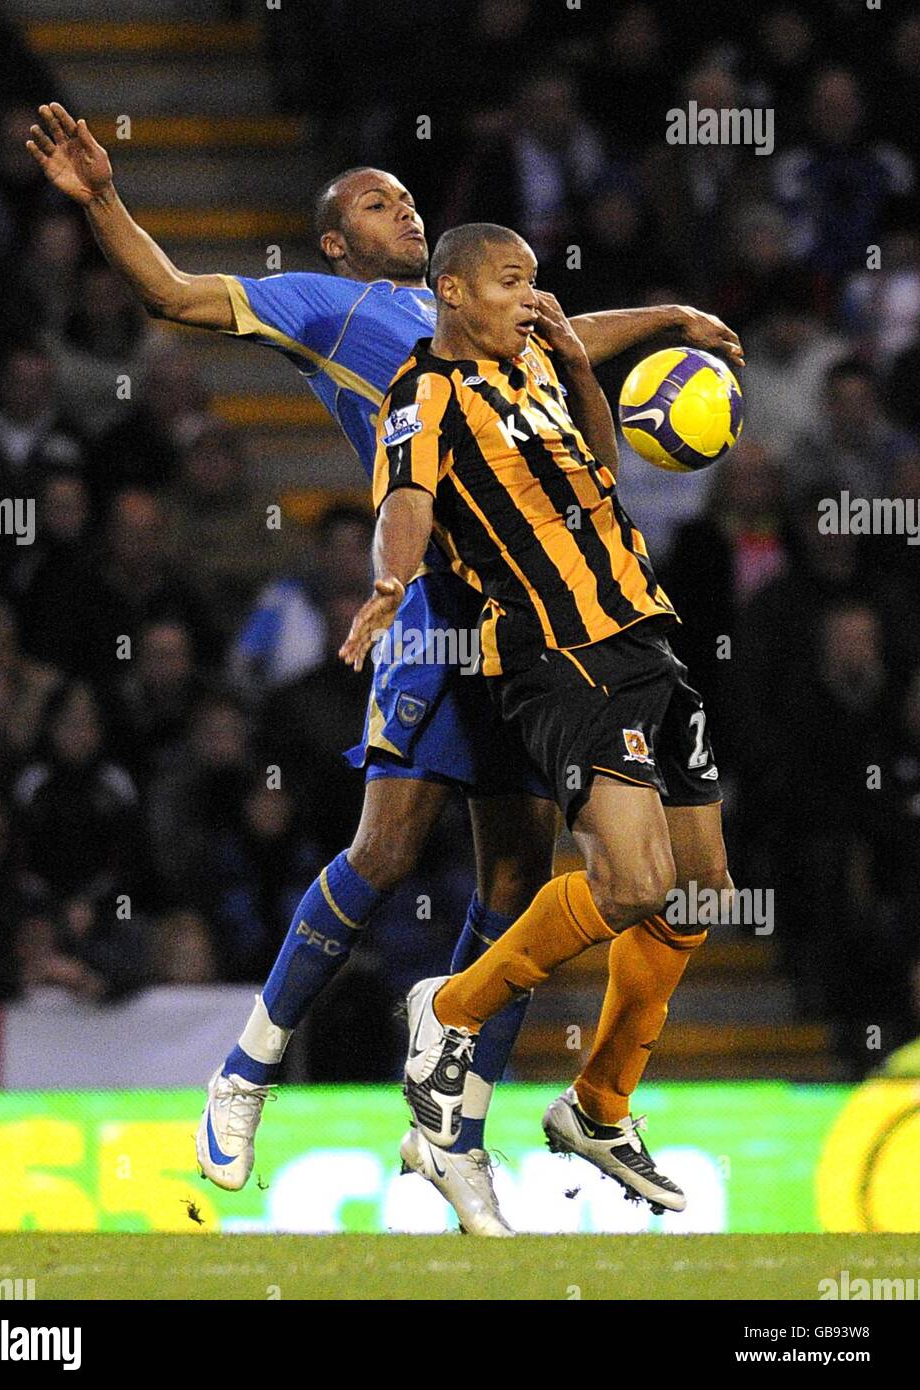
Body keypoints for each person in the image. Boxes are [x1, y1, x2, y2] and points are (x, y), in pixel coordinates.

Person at [28, 102, 742, 1235]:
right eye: (374, 202)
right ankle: (248, 1069)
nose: (401, 207)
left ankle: (451, 1130)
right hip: (426, 605)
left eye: (407, 198)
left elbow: (562, 335)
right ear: (333, 242)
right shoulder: (328, 307)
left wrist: (667, 319)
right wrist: (106, 198)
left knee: (513, 886)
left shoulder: (476, 310)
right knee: (386, 846)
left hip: (535, 616)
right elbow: (171, 292)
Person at [342, 223, 733, 1218]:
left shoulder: (534, 371)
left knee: (698, 894)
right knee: (633, 881)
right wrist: (390, 578)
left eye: (534, 281)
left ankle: (598, 1106)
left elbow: (603, 472)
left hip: (643, 635)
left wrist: (582, 366)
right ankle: (453, 1006)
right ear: (452, 291)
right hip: (557, 655)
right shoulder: (422, 394)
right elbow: (412, 500)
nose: (529, 296)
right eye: (510, 282)